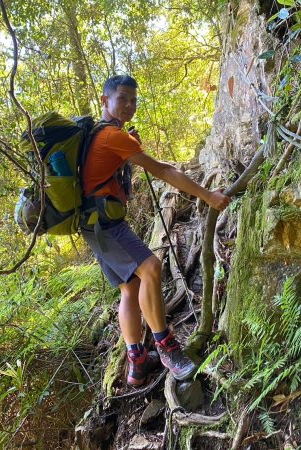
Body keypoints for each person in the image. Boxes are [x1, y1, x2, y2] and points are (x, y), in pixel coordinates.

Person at [80, 75, 231, 387]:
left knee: (130, 288)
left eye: (133, 100)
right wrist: (208, 196)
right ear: (104, 100)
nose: (129, 106)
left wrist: (131, 146)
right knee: (150, 268)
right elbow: (162, 170)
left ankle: (136, 362)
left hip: (93, 223)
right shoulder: (113, 137)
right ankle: (167, 349)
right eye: (122, 99)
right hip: (105, 224)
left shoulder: (102, 132)